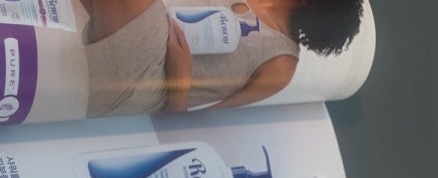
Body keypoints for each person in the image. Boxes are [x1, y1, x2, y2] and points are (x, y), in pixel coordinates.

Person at [80, 0, 364, 116]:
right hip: (144, 27)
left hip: (148, 83)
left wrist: (181, 79)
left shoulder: (280, 64)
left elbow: (200, 125)